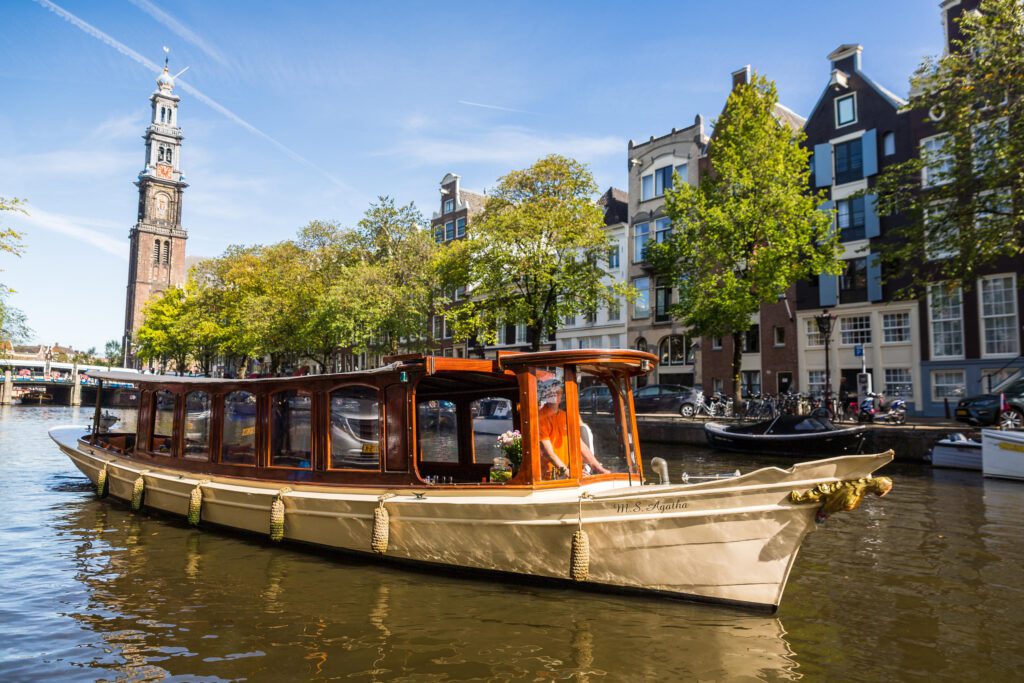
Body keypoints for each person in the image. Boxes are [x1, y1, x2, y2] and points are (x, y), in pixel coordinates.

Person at [537, 382, 610, 478]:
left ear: (561, 395)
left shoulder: (565, 416)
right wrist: (567, 472)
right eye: (551, 393)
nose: (554, 395)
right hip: (549, 476)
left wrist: (597, 466)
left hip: (567, 474)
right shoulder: (540, 418)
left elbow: (578, 443)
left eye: (557, 392)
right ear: (546, 395)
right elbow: (548, 453)